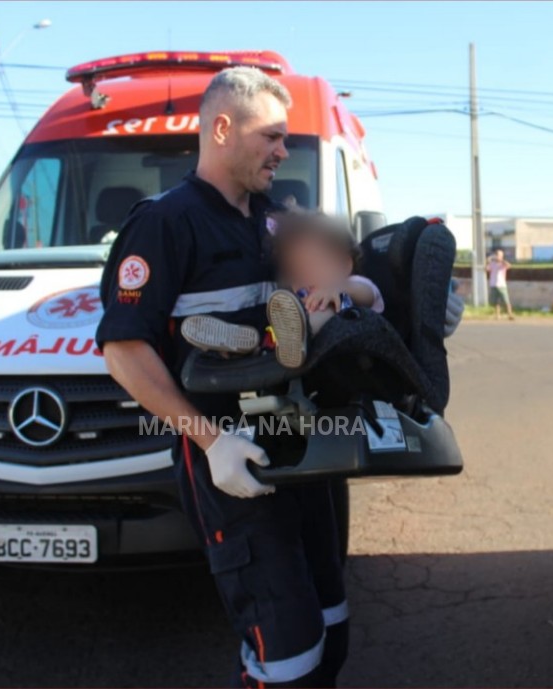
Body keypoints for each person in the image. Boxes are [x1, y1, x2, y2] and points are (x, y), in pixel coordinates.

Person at [95, 67, 349, 687]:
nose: (284, 151)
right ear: (223, 127)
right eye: (273, 136)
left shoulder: (274, 220)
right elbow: (124, 352)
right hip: (234, 450)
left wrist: (367, 292)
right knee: (286, 651)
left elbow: (329, 282)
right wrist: (212, 441)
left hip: (304, 440)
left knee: (330, 625)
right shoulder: (165, 222)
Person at [180, 211, 385, 369]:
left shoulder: (353, 285)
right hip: (291, 353)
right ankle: (244, 345)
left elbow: (367, 293)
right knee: (278, 325)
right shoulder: (297, 302)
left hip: (352, 356)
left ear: (343, 264)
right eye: (296, 272)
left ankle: (297, 336)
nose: (305, 277)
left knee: (325, 308)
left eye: (312, 266)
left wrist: (336, 289)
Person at [486, 249, 515, 320]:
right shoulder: (492, 264)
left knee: (506, 300)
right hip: (493, 284)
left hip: (501, 285)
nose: (497, 256)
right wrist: (488, 261)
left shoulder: (503, 264)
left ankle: (510, 314)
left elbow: (509, 266)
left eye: (499, 255)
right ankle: (497, 315)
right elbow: (486, 269)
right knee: (495, 301)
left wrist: (501, 260)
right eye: (497, 255)